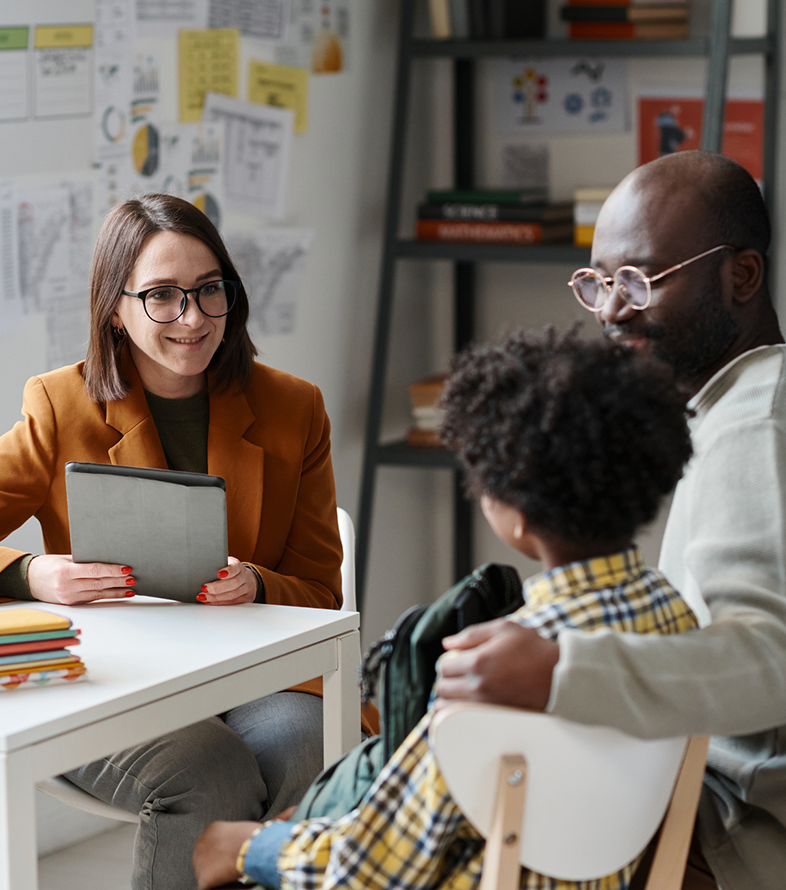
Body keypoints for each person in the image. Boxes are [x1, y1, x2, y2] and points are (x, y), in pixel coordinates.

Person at [192, 327, 699, 890]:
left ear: (516, 513)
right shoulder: (676, 620)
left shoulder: (497, 669)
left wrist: (247, 847)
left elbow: (368, 869)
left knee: (233, 849)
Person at [0, 194, 377, 890]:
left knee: (304, 744)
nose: (194, 318)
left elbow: (321, 590)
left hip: (253, 677)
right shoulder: (59, 404)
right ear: (115, 308)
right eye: (163, 297)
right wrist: (30, 575)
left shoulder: (295, 408)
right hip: (115, 683)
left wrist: (258, 584)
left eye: (209, 291)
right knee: (208, 771)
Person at [435, 151, 786, 890]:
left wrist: (564, 669)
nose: (610, 309)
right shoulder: (730, 404)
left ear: (742, 277)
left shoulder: (754, 425)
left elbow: (772, 662)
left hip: (729, 828)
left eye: (640, 280)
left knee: (456, 798)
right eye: (597, 282)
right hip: (694, 778)